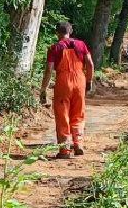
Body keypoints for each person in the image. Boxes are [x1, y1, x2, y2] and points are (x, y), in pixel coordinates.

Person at [40, 21, 94, 159]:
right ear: (70, 31)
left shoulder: (55, 48)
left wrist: (43, 89)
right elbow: (90, 64)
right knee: (78, 113)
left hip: (63, 82)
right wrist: (89, 81)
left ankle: (64, 150)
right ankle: (78, 144)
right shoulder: (81, 45)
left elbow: (49, 70)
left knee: (62, 114)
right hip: (80, 80)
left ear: (57, 32)